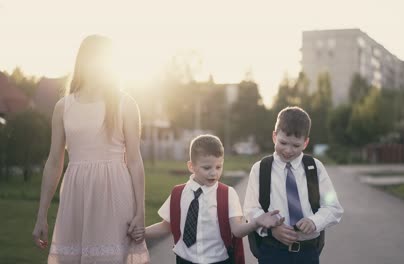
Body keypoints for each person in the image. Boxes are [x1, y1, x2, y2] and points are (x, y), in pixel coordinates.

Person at [32, 35, 150, 263]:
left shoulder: (126, 104)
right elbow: (54, 162)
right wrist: (41, 216)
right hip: (76, 196)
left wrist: (140, 212)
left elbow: (135, 161)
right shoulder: (63, 107)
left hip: (115, 195)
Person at [131, 134, 283, 264]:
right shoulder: (178, 193)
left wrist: (257, 222)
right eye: (207, 168)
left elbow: (237, 231)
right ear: (191, 166)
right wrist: (142, 232)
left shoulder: (228, 194)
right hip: (185, 260)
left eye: (218, 167)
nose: (213, 173)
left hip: (218, 260)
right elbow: (166, 226)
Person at [243, 106, 343, 264]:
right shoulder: (261, 169)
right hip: (272, 251)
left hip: (307, 252)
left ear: (305, 143)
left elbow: (334, 208)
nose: (288, 150)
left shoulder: (314, 168)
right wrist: (271, 230)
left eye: (296, 145)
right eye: (283, 142)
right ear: (274, 136)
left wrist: (314, 221)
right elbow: (250, 210)